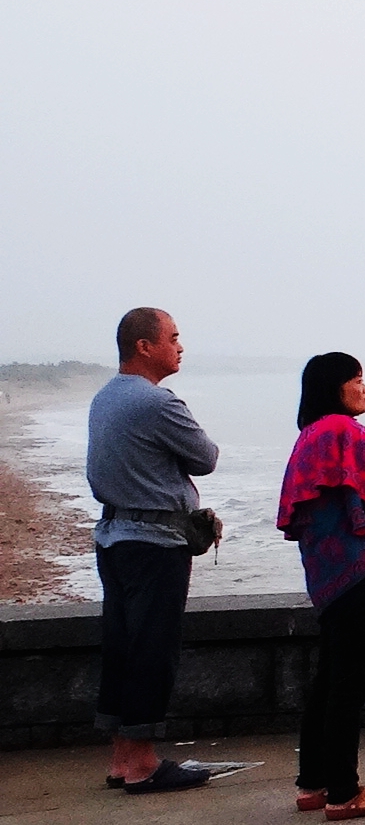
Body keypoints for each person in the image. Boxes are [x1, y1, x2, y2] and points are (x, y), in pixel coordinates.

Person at [86, 307, 222, 793]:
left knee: (123, 645)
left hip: (114, 536)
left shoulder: (105, 398)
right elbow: (205, 458)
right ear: (145, 346)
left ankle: (122, 757)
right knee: (153, 649)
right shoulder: (156, 403)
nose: (180, 346)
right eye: (173, 337)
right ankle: (143, 761)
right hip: (155, 543)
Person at [277, 352, 365, 820]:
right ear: (336, 387)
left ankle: (313, 783)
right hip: (355, 568)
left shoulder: (310, 435)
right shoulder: (343, 431)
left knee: (328, 677)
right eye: (357, 379)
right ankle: (344, 791)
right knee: (350, 683)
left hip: (324, 572)